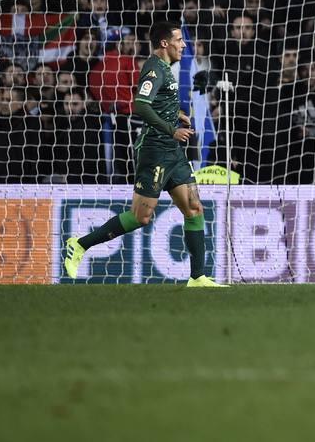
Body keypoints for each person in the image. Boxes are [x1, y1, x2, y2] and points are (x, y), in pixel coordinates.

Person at [63, 20, 221, 287]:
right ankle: (79, 244)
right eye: (179, 40)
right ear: (164, 43)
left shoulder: (165, 70)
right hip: (155, 151)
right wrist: (171, 129)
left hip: (173, 153)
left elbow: (157, 104)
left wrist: (177, 114)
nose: (183, 45)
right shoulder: (154, 69)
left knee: (194, 208)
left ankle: (198, 277)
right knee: (141, 217)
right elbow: (141, 105)